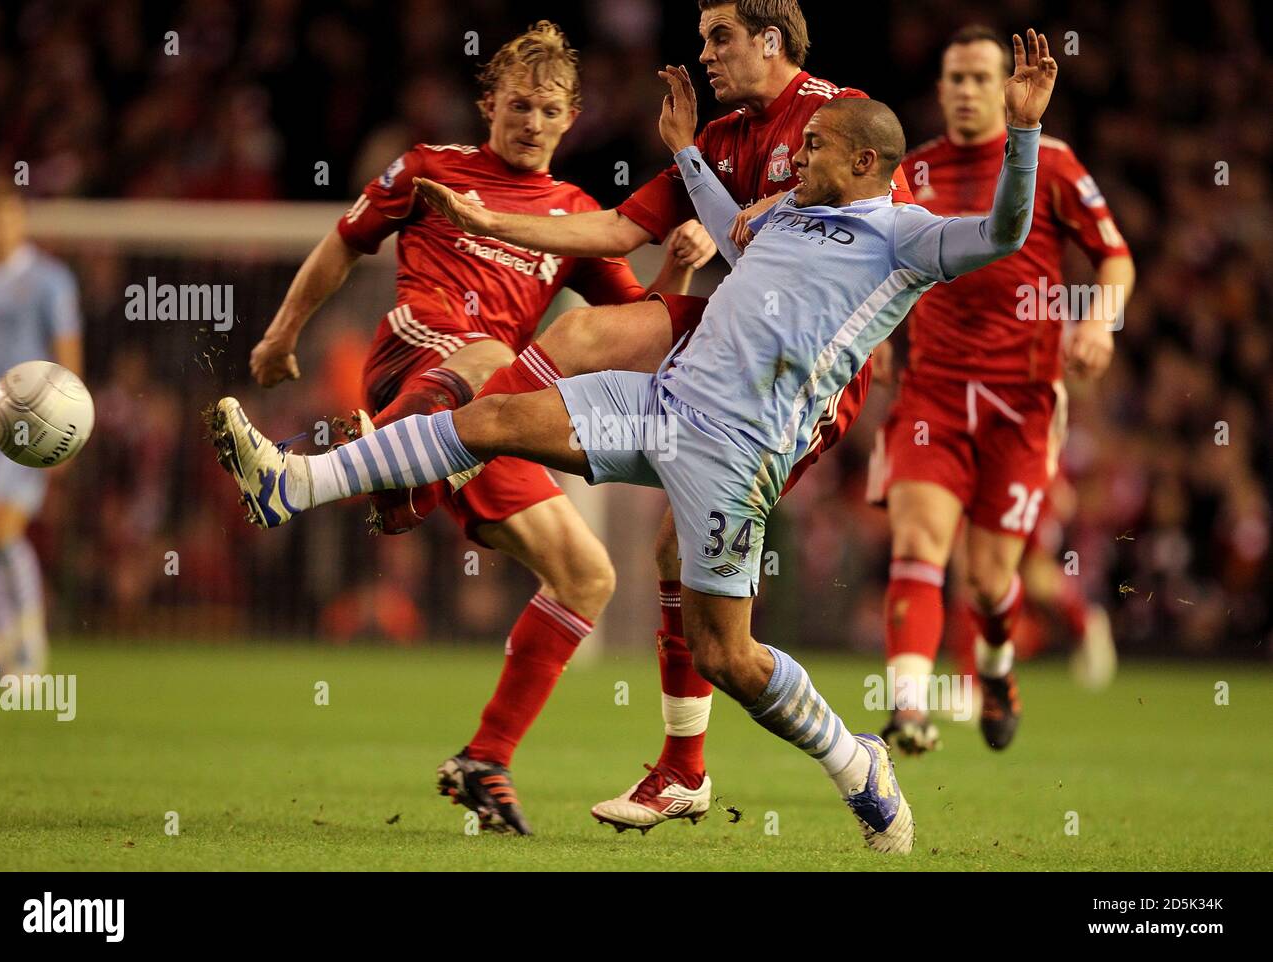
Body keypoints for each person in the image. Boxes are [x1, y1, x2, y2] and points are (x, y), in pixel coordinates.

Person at [211, 29, 1059, 853]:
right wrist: (688, 152)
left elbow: (1005, 232)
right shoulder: (790, 217)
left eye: (815, 152)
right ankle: (295, 483)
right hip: (658, 404)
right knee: (495, 417)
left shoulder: (905, 238)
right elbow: (725, 221)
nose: (797, 163)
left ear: (864, 162)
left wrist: (1023, 133)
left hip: (736, 457)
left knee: (728, 653)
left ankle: (854, 760)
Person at [413, 0, 915, 832]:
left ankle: (720, 764)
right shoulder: (717, 140)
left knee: (694, 586)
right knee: (590, 352)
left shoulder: (832, 121)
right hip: (723, 346)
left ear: (771, 40)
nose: (705, 54)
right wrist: (482, 217)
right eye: (702, 37)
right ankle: (686, 769)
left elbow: (890, 232)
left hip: (788, 385)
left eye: (721, 37)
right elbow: (613, 230)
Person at [240, 22, 705, 835]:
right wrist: (283, 334)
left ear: (570, 121)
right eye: (519, 104)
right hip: (416, 364)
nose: (531, 120)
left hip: (486, 420)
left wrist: (680, 274)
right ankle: (385, 471)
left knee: (588, 575)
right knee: (493, 352)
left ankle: (486, 757)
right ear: (489, 105)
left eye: (550, 109)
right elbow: (343, 245)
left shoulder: (574, 217)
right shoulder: (430, 171)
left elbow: (633, 325)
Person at [866, 26, 1133, 753]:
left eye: (981, 78)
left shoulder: (1051, 164)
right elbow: (873, 268)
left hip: (1023, 400)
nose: (966, 91)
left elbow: (1114, 259)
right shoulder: (911, 173)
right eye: (954, 78)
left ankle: (996, 668)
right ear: (941, 87)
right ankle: (910, 707)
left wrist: (1098, 325)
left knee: (990, 583)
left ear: (1004, 85)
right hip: (935, 392)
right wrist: (875, 343)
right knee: (920, 541)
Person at [0, 180, 83, 675]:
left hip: (23, 419)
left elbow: (66, 352)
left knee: (0, 527)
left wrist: (70, 427)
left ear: (20, 221)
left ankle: (27, 647)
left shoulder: (50, 280)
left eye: (5, 214)